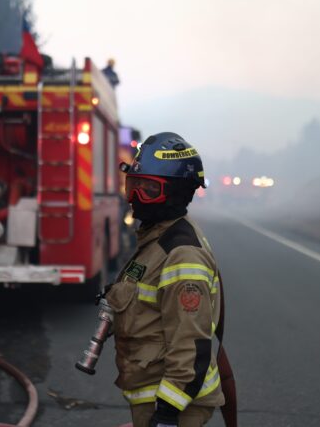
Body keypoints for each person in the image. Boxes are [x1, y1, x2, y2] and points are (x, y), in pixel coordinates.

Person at [106, 133, 226, 427]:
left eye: (148, 189)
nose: (135, 198)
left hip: (174, 402)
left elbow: (191, 345)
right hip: (153, 391)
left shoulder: (182, 254)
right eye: (133, 186)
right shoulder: (157, 239)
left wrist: (167, 416)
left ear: (176, 193)